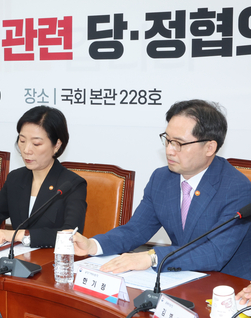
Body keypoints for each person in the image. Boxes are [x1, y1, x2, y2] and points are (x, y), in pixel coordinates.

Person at [72, 99, 251, 280]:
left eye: (179, 143)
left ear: (209, 147)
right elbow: (136, 230)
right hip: (179, 277)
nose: (169, 150)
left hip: (228, 284)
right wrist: (92, 245)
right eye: (167, 140)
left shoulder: (237, 188)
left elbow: (215, 253)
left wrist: (152, 257)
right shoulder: (162, 179)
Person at [0, 106, 87, 248]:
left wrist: (17, 235)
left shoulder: (72, 184)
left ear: (57, 145)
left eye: (36, 143)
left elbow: (71, 235)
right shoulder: (16, 178)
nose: (26, 150)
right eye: (22, 140)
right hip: (17, 261)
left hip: (52, 262)